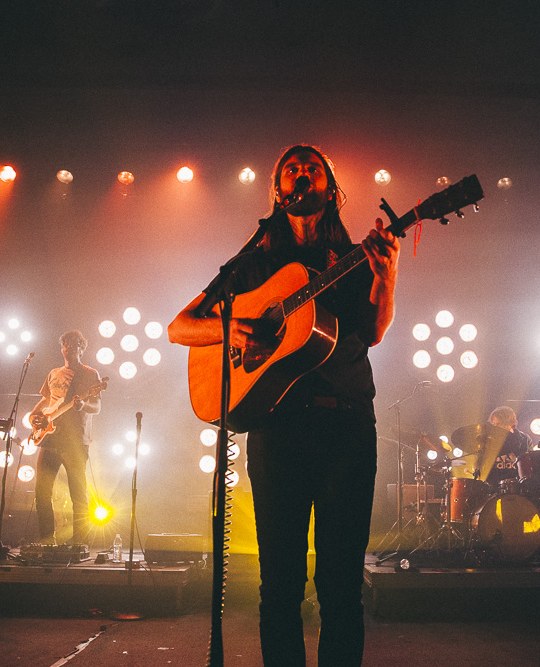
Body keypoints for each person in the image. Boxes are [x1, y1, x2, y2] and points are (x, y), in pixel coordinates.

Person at [168, 145, 400, 667]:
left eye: (311, 167)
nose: (301, 172)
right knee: (279, 584)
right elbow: (180, 326)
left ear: (330, 188)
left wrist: (387, 274)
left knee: (340, 584)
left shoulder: (353, 256)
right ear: (278, 191)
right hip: (277, 431)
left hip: (346, 426)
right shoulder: (252, 265)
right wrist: (236, 328)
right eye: (290, 169)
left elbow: (374, 331)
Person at [28, 330, 102, 546]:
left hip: (74, 441)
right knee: (42, 492)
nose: (68, 348)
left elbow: (96, 406)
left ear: (81, 348)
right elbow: (46, 401)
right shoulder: (53, 373)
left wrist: (82, 405)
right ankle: (47, 539)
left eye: (72, 345)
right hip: (50, 439)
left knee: (77, 494)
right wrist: (34, 416)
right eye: (65, 345)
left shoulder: (90, 374)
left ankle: (81, 543)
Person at [484, 405, 533, 485]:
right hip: (494, 485)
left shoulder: (524, 439)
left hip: (516, 485)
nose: (495, 427)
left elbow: (528, 464)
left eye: (499, 424)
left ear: (509, 423)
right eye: (494, 424)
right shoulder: (489, 440)